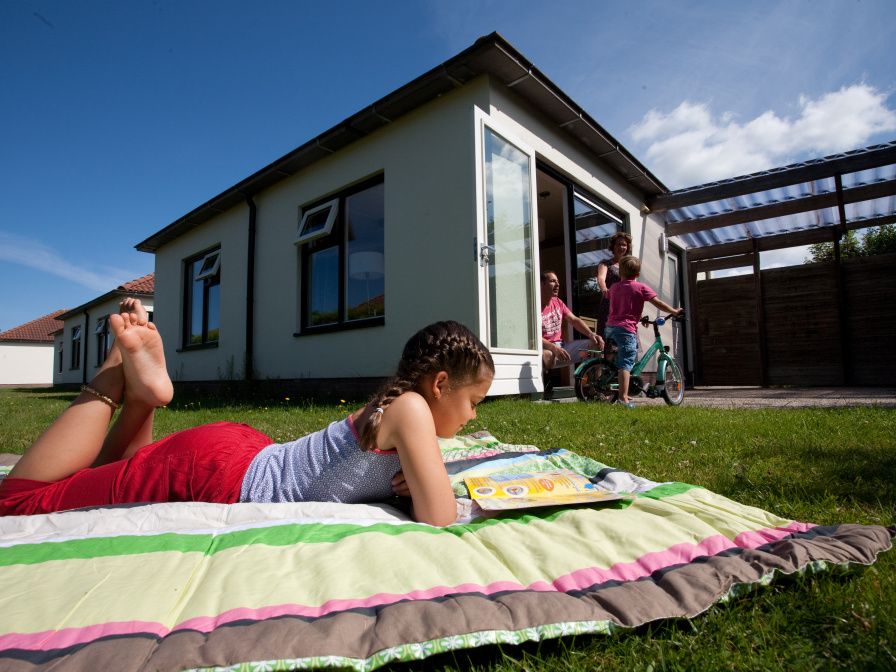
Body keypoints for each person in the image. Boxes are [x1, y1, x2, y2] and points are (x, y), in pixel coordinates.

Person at [0, 299, 494, 527]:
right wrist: (425, 484)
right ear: (440, 384)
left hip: (241, 453)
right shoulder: (412, 410)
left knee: (106, 475)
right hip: (221, 471)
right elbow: (439, 518)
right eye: (473, 402)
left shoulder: (401, 409)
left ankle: (143, 396)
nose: (472, 418)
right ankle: (112, 374)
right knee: (18, 503)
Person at [605, 255, 682, 409]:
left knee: (618, 360)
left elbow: (623, 308)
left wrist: (639, 318)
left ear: (620, 272)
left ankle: (616, 388)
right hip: (626, 329)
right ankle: (623, 399)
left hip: (610, 327)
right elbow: (658, 303)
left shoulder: (613, 288)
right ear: (638, 274)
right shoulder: (641, 288)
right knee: (626, 363)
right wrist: (674, 311)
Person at [540, 271, 604, 372]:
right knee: (548, 354)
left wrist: (591, 334)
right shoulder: (534, 307)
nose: (557, 284)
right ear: (541, 284)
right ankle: (545, 384)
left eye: (558, 282)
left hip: (563, 348)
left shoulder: (557, 302)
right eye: (552, 281)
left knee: (595, 344)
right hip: (546, 349)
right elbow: (533, 338)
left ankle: (593, 386)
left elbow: (574, 320)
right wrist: (553, 348)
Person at [595, 232, 632, 336]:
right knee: (609, 342)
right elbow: (601, 278)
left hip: (625, 307)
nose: (621, 247)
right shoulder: (605, 263)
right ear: (613, 247)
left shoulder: (629, 266)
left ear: (627, 247)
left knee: (627, 342)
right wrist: (605, 290)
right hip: (610, 305)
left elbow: (633, 288)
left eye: (624, 244)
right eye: (618, 244)